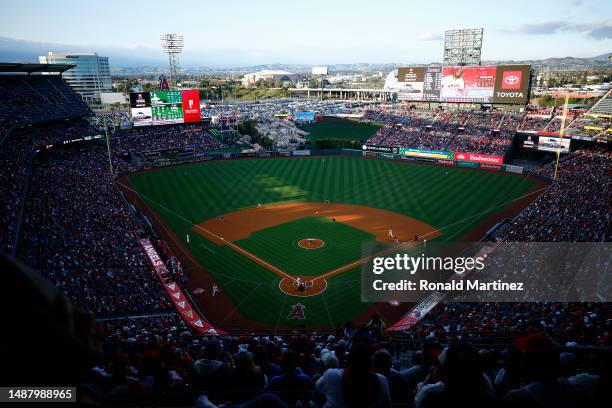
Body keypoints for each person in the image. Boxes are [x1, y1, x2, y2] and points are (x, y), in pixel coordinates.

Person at [316, 343, 391, 408]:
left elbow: (318, 387)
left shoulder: (331, 375)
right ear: (370, 362)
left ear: (348, 361)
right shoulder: (382, 380)